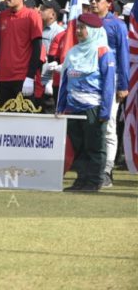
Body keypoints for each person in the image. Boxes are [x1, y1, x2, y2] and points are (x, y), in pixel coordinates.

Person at [57, 13, 115, 192]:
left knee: (94, 146)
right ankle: (81, 180)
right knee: (78, 146)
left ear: (93, 30)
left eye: (83, 28)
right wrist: (61, 106)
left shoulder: (103, 52)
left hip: (93, 107)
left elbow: (108, 85)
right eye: (78, 27)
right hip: (73, 107)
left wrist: (105, 111)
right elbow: (65, 81)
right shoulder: (73, 52)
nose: (78, 31)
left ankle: (94, 181)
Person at [88, 0, 129, 188]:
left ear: (108, 4)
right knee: (91, 124)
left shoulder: (117, 25)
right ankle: (92, 167)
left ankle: (107, 170)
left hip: (110, 80)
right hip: (90, 80)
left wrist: (123, 85)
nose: (93, 2)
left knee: (109, 124)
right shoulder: (86, 23)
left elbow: (123, 55)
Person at [0, 0, 43, 105]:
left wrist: (30, 77)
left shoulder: (32, 15)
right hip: (3, 78)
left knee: (23, 117)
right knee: (2, 117)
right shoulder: (1, 17)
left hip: (22, 78)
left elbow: (37, 48)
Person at [38, 0, 64, 113]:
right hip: (36, 81)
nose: (40, 10)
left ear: (52, 15)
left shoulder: (60, 32)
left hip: (49, 84)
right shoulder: (37, 28)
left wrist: (51, 80)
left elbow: (57, 59)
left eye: (44, 9)